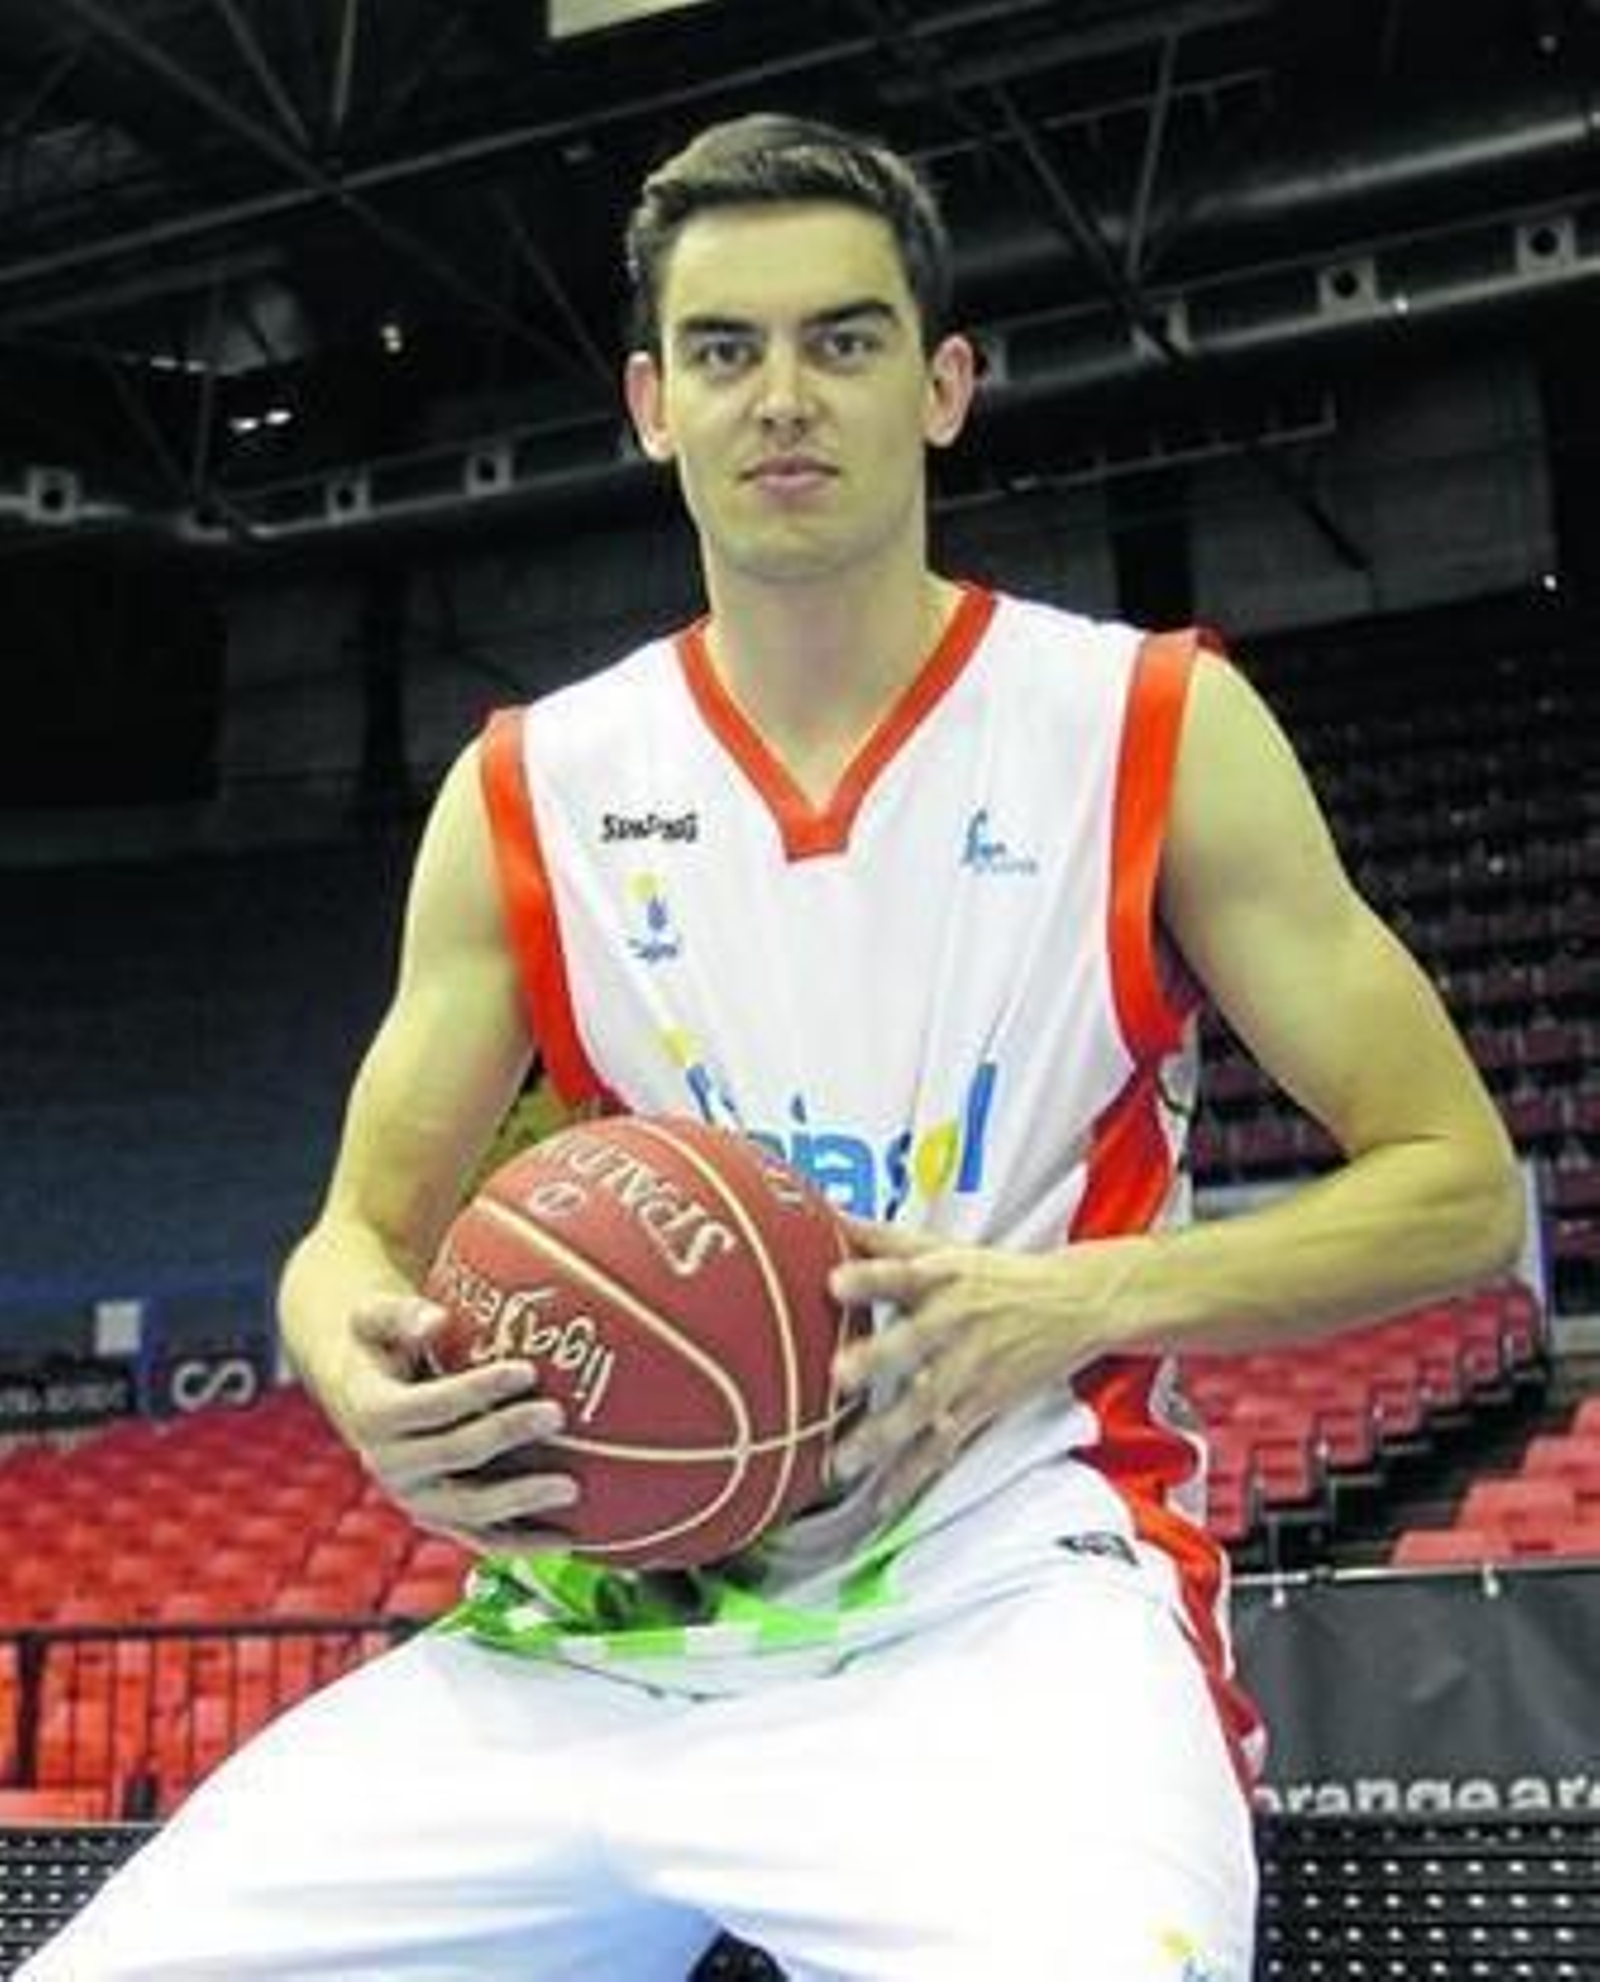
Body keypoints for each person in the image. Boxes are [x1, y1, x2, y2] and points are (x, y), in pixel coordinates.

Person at [23, 113, 1522, 1981]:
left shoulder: (1145, 722)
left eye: (847, 337)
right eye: (726, 352)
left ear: (946, 382)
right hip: (587, 1635)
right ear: (653, 403)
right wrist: (360, 1375)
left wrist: (1060, 1303)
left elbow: (1459, 1190)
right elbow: (350, 1242)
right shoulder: (533, 788)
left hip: (1000, 1605)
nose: (783, 397)